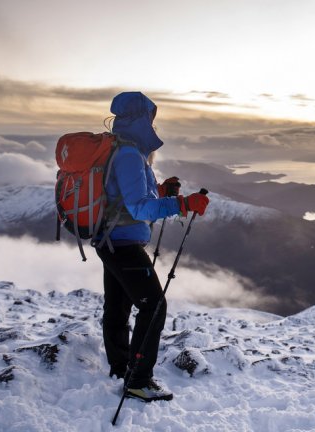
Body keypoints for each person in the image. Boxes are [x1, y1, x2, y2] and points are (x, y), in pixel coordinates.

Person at [94, 91, 209, 402]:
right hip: (123, 242)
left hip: (110, 239)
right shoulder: (130, 155)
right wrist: (182, 204)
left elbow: (123, 195)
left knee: (117, 307)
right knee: (154, 307)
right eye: (151, 117)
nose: (154, 123)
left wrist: (161, 190)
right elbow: (139, 208)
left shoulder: (119, 148)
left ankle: (121, 367)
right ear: (142, 119)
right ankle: (138, 380)